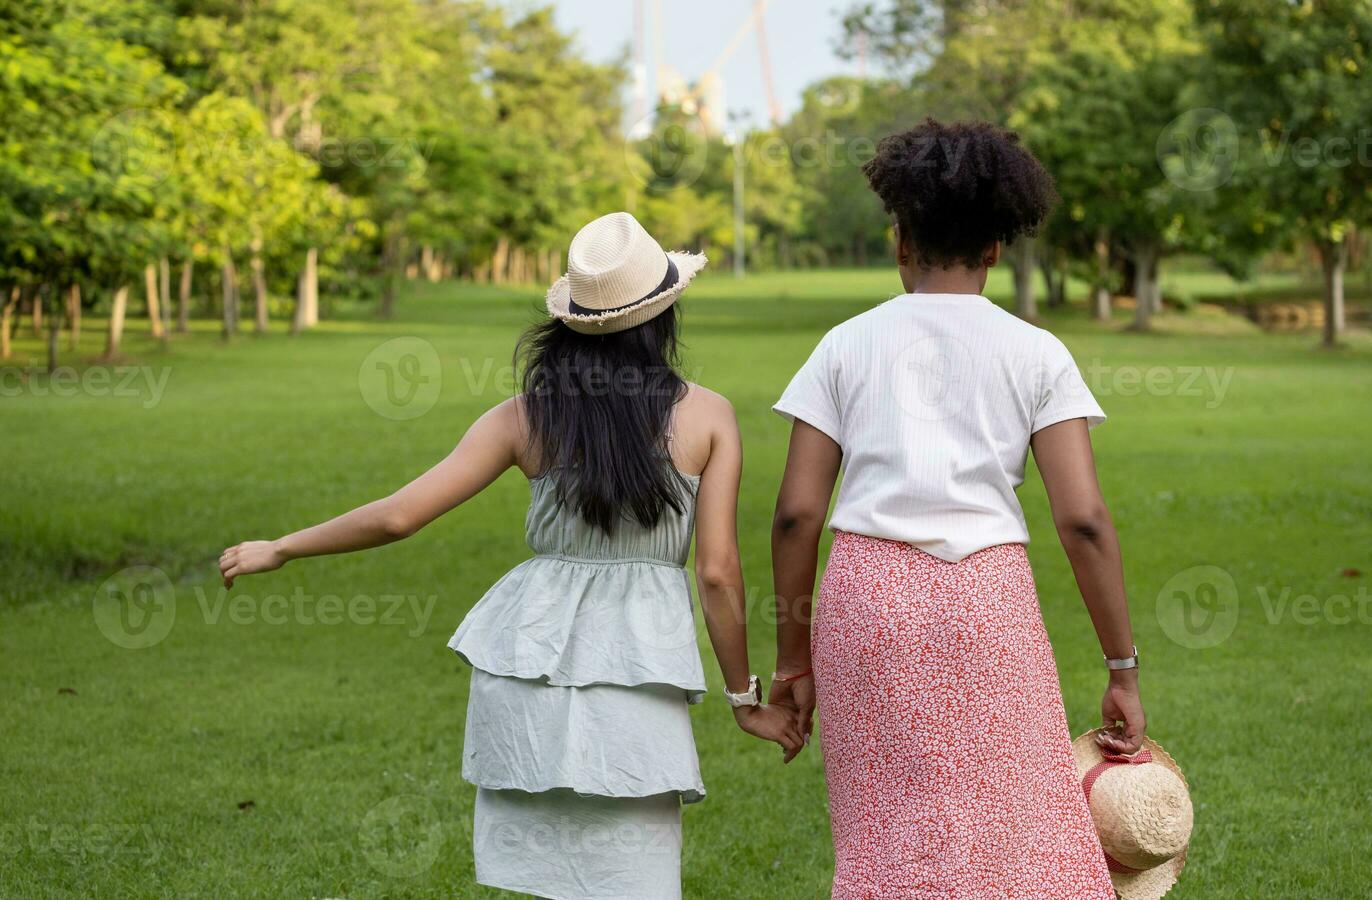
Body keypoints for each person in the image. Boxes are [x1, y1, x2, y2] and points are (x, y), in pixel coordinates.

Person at [219, 212, 802, 899]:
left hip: (530, 658)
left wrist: (282, 547)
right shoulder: (709, 416)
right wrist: (743, 699)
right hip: (636, 670)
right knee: (635, 876)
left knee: (549, 878)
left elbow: (402, 514)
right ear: (660, 319)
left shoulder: (525, 416)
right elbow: (715, 571)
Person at [767, 118, 1145, 898]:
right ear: (995, 250)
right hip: (988, 598)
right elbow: (1083, 521)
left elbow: (797, 515)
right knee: (1018, 827)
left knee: (886, 831)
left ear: (901, 242)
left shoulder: (844, 345)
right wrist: (1122, 669)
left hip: (867, 599)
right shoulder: (1036, 352)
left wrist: (793, 657)